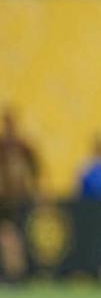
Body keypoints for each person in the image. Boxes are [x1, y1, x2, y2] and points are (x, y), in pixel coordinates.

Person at [0, 109, 39, 283]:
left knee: (11, 235)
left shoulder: (21, 145)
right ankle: (15, 272)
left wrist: (33, 188)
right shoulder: (5, 145)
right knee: (11, 235)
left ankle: (15, 273)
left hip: (14, 198)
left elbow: (35, 168)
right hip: (8, 198)